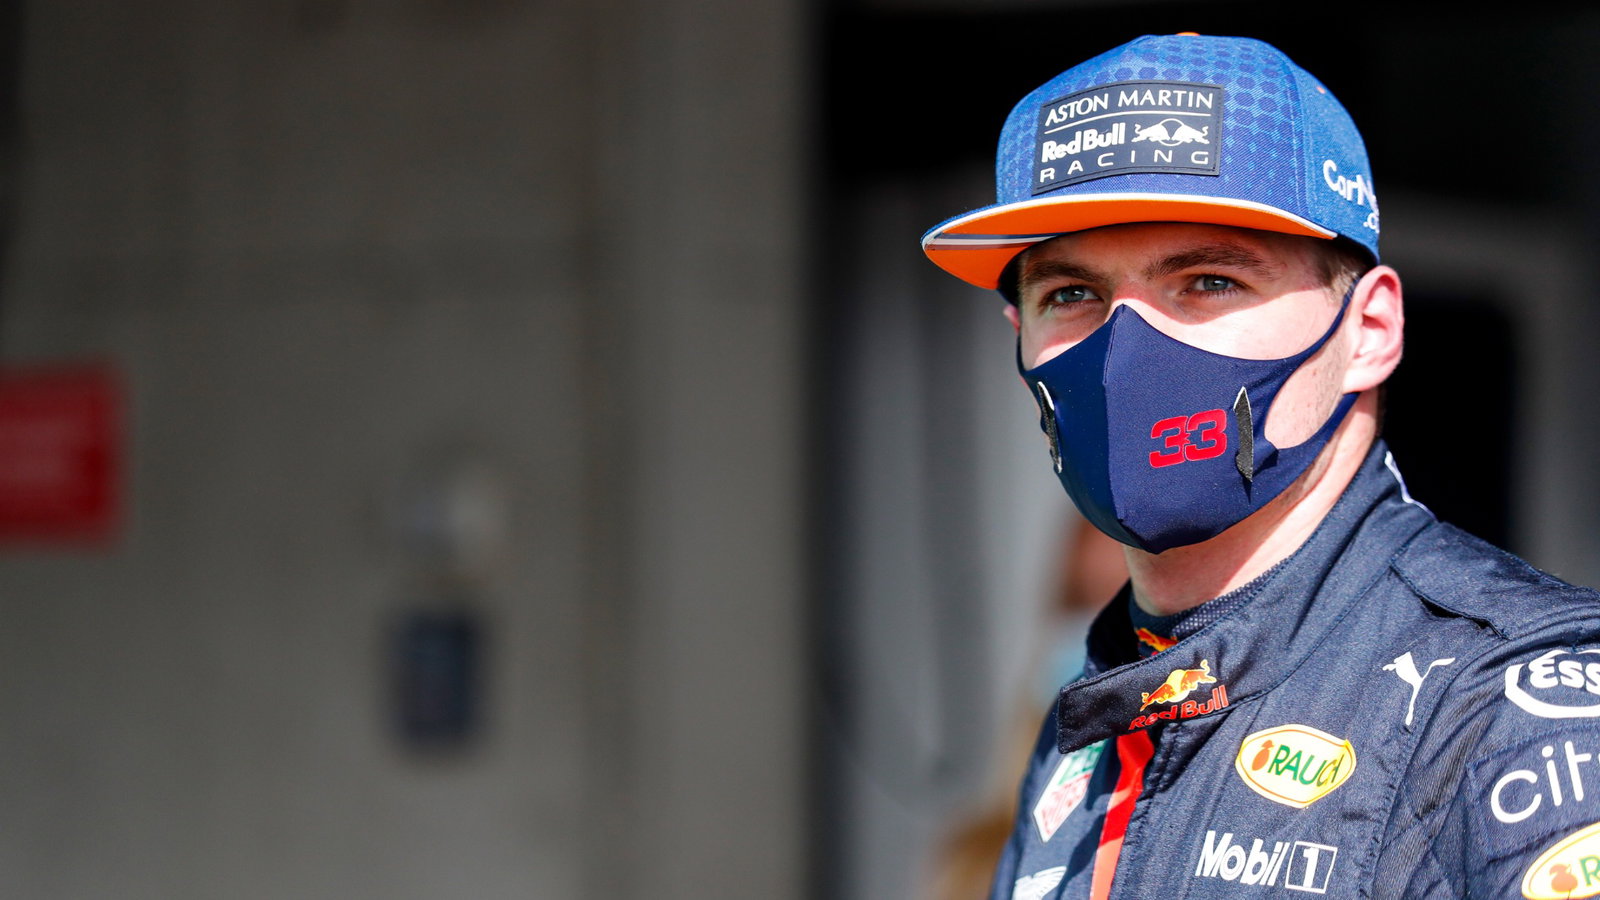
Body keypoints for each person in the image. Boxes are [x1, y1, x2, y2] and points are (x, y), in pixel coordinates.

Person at [918, 33, 1600, 900]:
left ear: (1370, 331)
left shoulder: (1516, 710)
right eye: (1073, 294)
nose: (1127, 352)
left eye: (1207, 282)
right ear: (1020, 333)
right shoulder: (1089, 723)